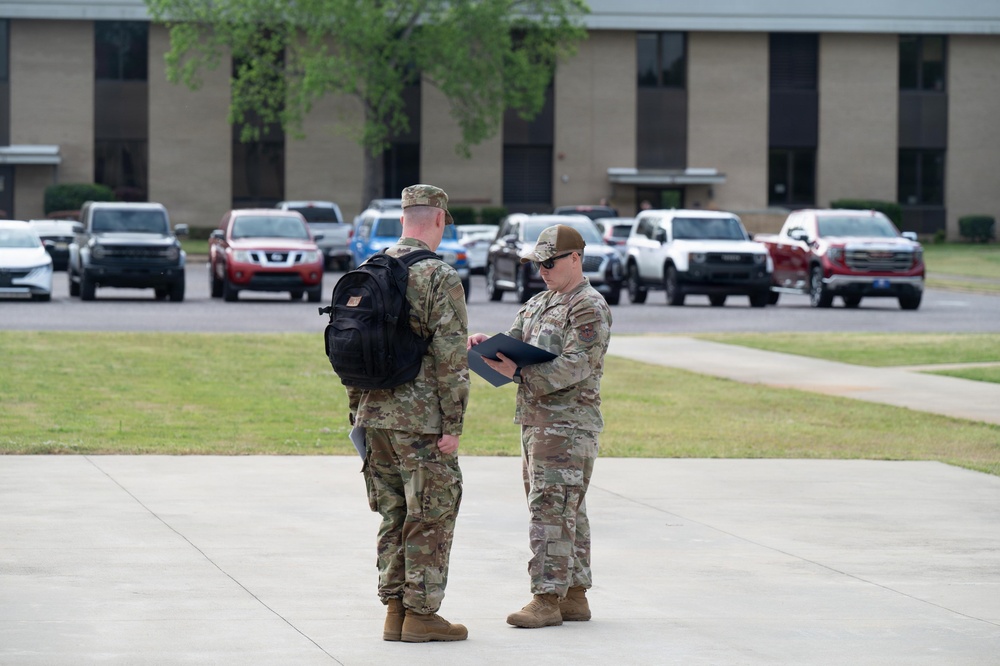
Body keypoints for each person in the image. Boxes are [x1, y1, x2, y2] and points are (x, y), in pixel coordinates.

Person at [467, 224, 613, 629]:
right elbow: (514, 340)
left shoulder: (588, 307)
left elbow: (577, 364)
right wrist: (486, 347)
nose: (542, 271)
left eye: (549, 263)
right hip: (538, 422)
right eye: (537, 264)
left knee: (550, 509)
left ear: (575, 259)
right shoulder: (539, 303)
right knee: (567, 509)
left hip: (568, 426)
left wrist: (519, 374)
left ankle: (546, 598)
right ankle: (574, 595)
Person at [348, 184, 470, 643]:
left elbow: (351, 351)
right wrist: (453, 426)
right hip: (421, 423)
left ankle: (394, 610)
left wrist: (357, 415)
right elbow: (451, 358)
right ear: (438, 219)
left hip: (373, 416)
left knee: (394, 513)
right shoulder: (440, 276)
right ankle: (421, 614)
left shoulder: (369, 269)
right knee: (432, 514)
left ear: (404, 219)